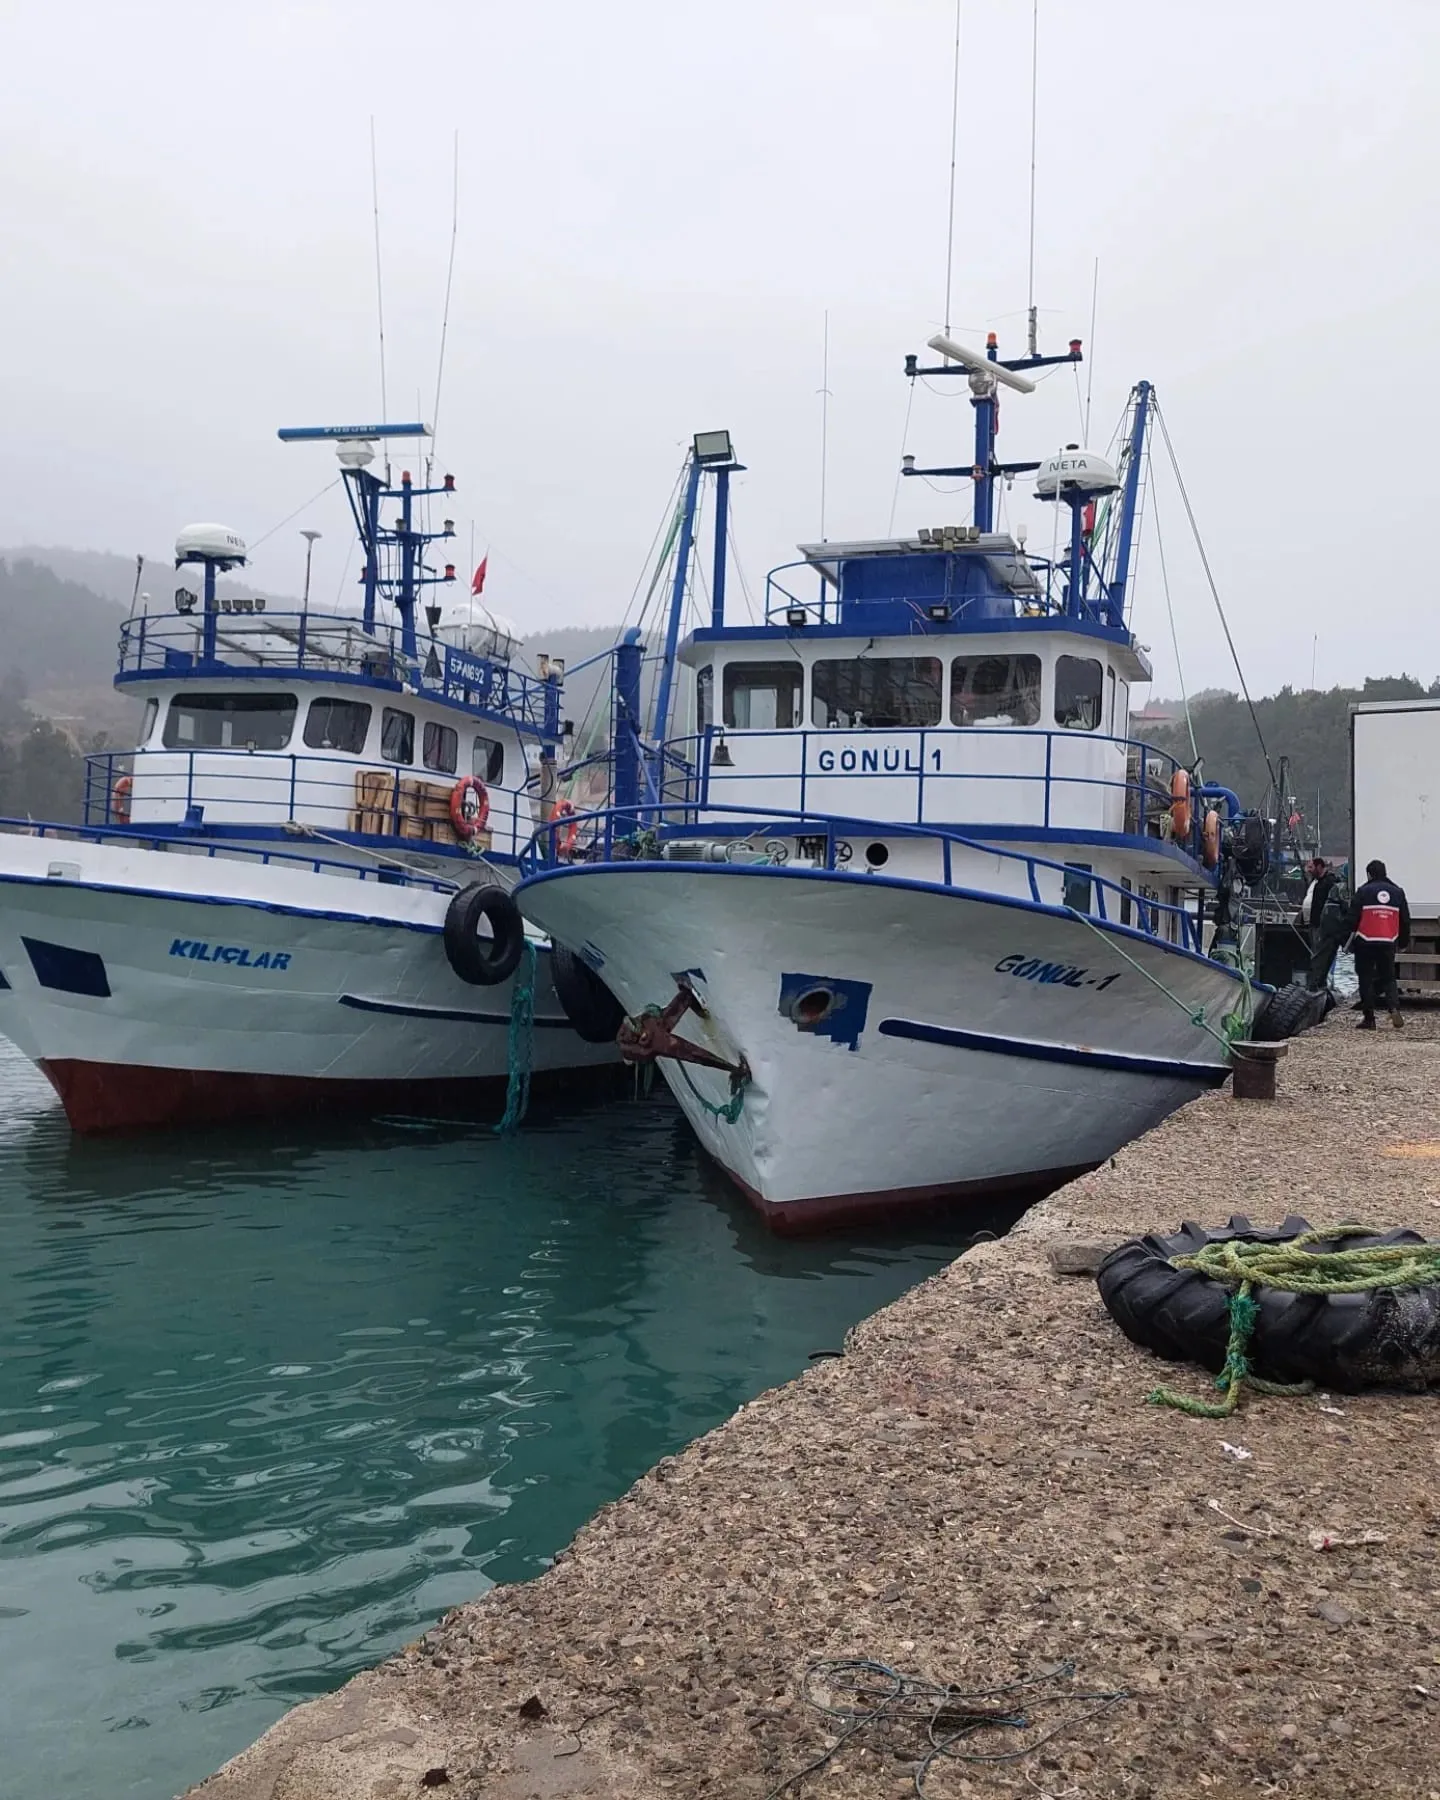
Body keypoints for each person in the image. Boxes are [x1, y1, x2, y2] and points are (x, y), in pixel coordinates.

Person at [1345, 859, 1410, 1030]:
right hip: (1388, 941)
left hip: (1365, 941)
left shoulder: (1363, 891)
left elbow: (1352, 918)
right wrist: (1403, 941)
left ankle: (1369, 1018)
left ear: (1369, 874)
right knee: (1388, 977)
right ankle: (1393, 1008)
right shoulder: (1398, 892)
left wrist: (1347, 941)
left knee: (1365, 978)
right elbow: (1405, 920)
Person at [1300, 855, 1341, 990]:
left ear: (1319, 867)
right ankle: (1317, 982)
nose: (1309, 870)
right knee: (1316, 954)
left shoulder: (1329, 882)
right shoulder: (1317, 882)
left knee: (1321, 955)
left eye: (1311, 867)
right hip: (1314, 923)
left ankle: (1319, 982)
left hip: (1323, 926)